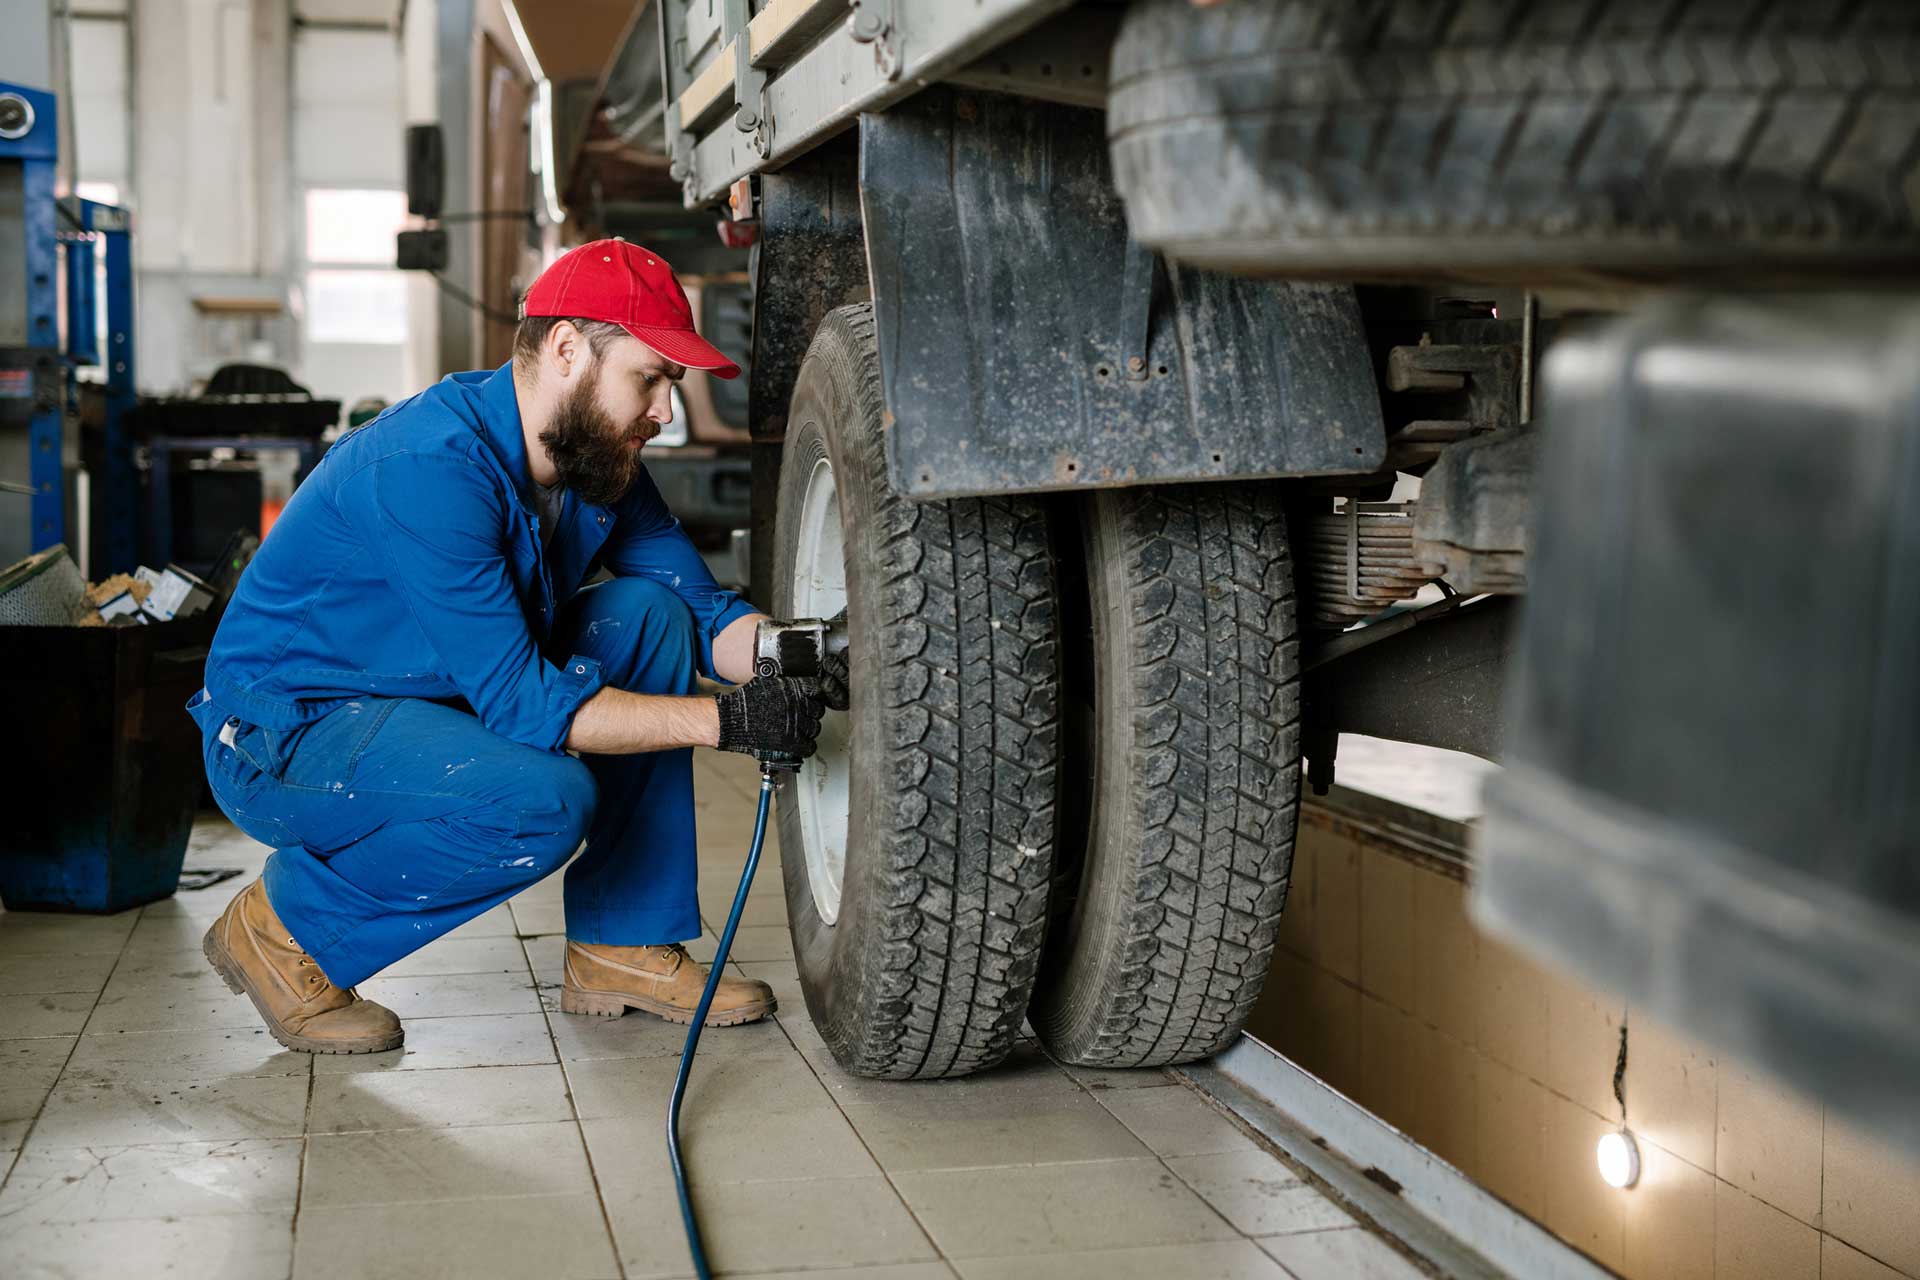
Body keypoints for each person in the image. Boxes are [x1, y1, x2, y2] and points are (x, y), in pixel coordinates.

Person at [189, 240, 843, 1054]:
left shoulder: (596, 463)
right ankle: (285, 933)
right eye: (651, 378)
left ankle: (621, 941)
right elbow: (528, 706)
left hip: (428, 696)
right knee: (540, 799)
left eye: (672, 386)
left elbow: (704, 613)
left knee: (646, 615)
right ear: (568, 349)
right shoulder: (429, 467)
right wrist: (729, 724)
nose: (665, 413)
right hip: (289, 730)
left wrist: (808, 653)